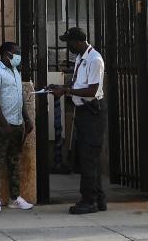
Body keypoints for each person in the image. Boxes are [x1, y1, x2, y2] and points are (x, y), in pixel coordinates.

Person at [49, 27, 106, 215]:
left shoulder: (94, 59)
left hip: (92, 113)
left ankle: (89, 200)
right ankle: (98, 198)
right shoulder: (81, 59)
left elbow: (91, 91)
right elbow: (78, 85)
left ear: (78, 42)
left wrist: (66, 91)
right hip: (82, 112)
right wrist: (62, 88)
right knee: (88, 158)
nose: (69, 46)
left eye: (70, 42)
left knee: (89, 158)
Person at [0, 41, 34, 213]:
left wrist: (27, 119)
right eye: (17, 52)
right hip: (1, 123)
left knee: (14, 161)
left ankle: (15, 198)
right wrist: (3, 122)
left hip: (17, 122)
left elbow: (19, 98)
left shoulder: (15, 72)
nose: (19, 56)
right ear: (7, 54)